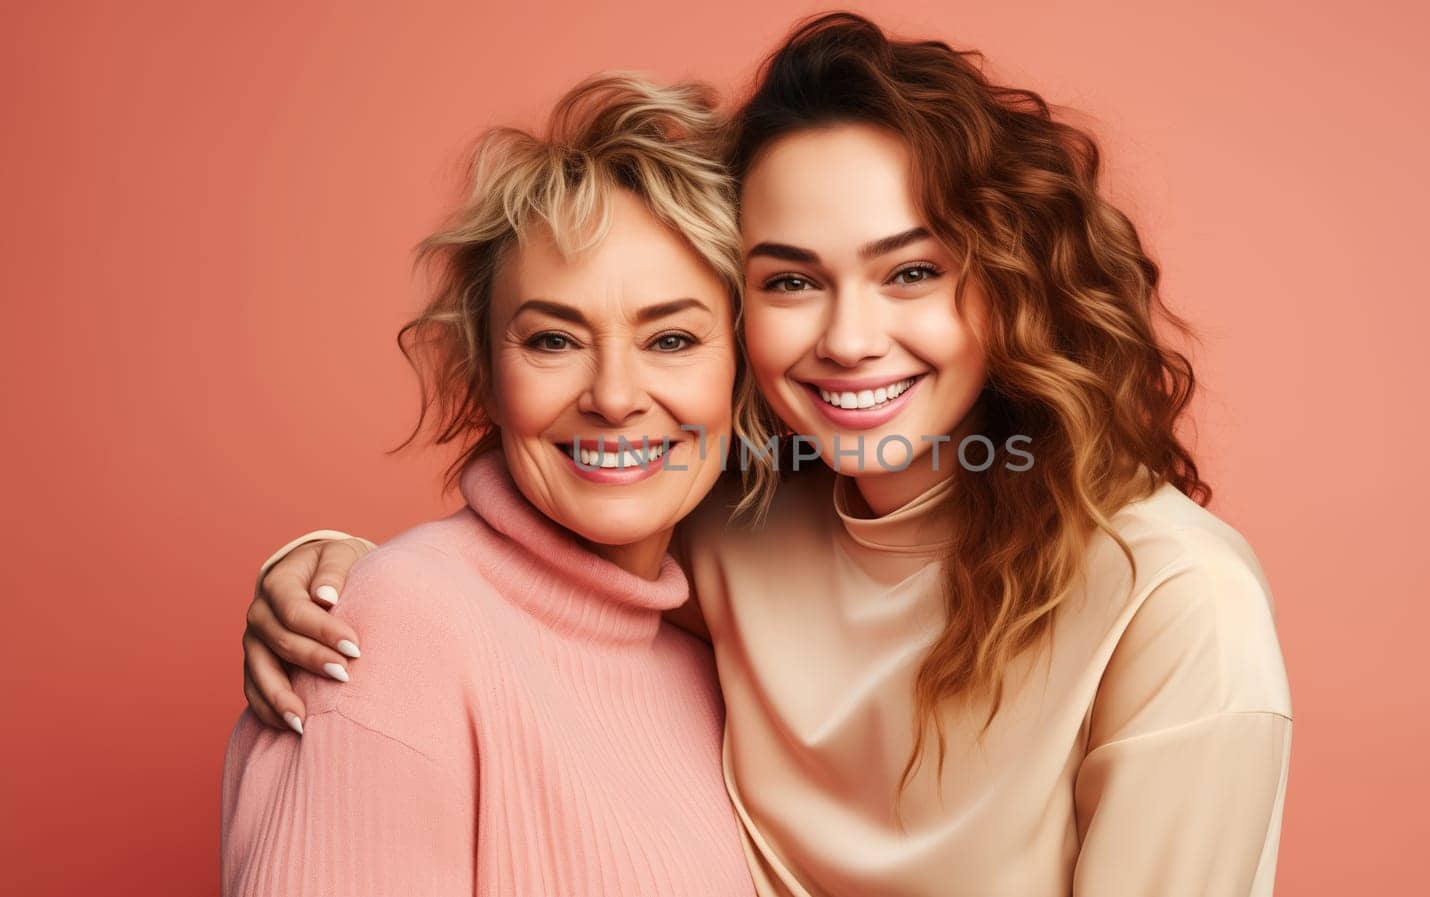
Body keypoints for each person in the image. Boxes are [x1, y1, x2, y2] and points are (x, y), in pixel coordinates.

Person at [236, 13, 1294, 896]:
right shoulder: (740, 520)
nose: (846, 337)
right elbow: (544, 588)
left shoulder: (1172, 601)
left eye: (910, 273)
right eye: (790, 280)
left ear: (1011, 282)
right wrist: (338, 568)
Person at [220, 74, 755, 897]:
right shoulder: (397, 625)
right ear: (486, 375)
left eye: (673, 338)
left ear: (743, 371)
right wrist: (366, 589)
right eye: (552, 339)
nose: (613, 396)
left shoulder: (714, 659)